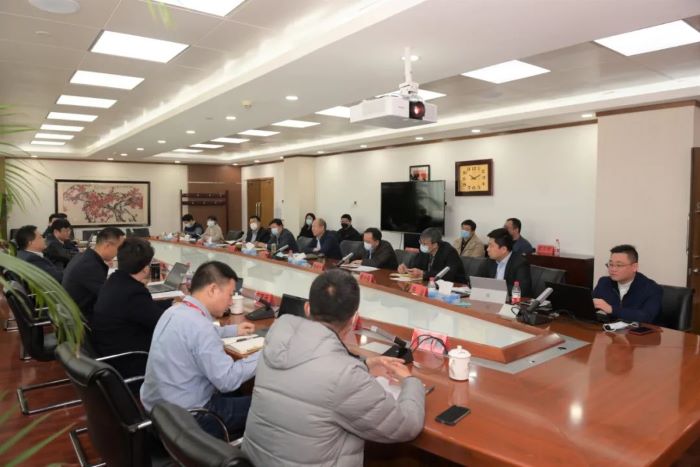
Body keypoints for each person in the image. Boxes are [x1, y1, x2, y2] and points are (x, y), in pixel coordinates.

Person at [243, 269, 424, 466]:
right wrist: (410, 381)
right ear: (353, 319)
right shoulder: (345, 375)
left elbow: (316, 368)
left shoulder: (277, 337)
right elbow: (406, 426)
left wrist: (364, 365)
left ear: (307, 308)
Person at [140, 261, 258, 439]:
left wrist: (233, 330)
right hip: (191, 419)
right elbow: (228, 380)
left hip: (158, 412)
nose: (230, 302)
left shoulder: (174, 311)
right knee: (264, 405)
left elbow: (197, 335)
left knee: (237, 393)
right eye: (229, 294)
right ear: (213, 289)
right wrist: (265, 354)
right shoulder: (200, 326)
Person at [91, 237, 171, 378]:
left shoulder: (114, 281)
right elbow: (162, 322)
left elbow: (146, 310)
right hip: (131, 361)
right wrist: (179, 309)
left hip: (110, 351)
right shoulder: (133, 292)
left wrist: (171, 303)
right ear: (145, 269)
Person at [62, 227, 125, 323]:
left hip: (77, 311)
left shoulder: (83, 256)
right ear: (107, 245)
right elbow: (109, 297)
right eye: (120, 248)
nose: (120, 252)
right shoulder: (89, 265)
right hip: (81, 320)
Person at [592, 244, 662, 323]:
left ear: (634, 267)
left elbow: (647, 316)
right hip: (609, 328)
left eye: (619, 265)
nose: (613, 269)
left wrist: (611, 309)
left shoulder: (652, 289)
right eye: (611, 264)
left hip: (637, 330)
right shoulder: (604, 282)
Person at [398, 227, 465, 282]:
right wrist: (407, 270)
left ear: (435, 244)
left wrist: (424, 274)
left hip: (454, 285)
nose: (422, 245)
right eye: (420, 242)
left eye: (425, 244)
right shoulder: (424, 250)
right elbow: (417, 266)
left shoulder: (449, 252)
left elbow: (449, 275)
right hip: (430, 283)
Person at [485, 228, 532, 297]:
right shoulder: (489, 260)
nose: (487, 249)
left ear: (503, 249)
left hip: (510, 301)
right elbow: (476, 281)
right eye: (488, 245)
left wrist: (494, 286)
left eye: (491, 246)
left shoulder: (520, 263)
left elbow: (522, 290)